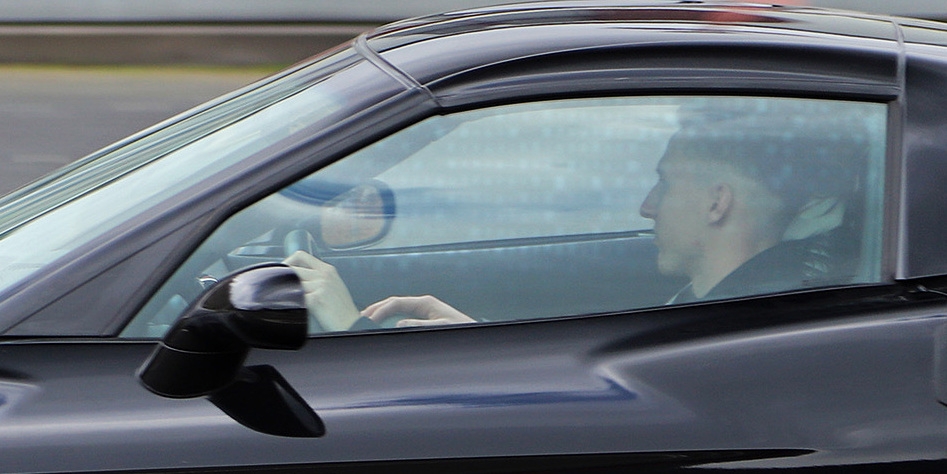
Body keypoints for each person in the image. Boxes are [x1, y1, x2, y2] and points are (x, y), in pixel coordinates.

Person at [287, 108, 862, 332]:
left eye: (664, 181)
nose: (646, 205)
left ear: (718, 202)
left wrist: (349, 332)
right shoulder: (726, 305)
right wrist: (472, 340)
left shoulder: (737, 332)